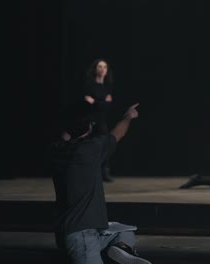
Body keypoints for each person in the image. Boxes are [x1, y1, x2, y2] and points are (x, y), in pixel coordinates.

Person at [49, 101, 151, 264]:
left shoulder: (56, 151)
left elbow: (66, 136)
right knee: (121, 234)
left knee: (123, 231)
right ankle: (118, 248)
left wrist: (70, 127)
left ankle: (118, 248)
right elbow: (118, 133)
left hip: (72, 233)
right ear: (90, 125)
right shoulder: (90, 149)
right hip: (82, 238)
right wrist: (128, 116)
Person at [84, 58, 115, 182]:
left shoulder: (107, 87)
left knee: (104, 146)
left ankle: (104, 172)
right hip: (90, 119)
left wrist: (95, 102)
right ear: (95, 69)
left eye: (105, 67)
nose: (102, 69)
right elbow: (87, 104)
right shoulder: (89, 85)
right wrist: (102, 102)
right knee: (88, 146)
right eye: (100, 67)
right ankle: (89, 172)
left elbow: (107, 106)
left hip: (102, 120)